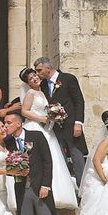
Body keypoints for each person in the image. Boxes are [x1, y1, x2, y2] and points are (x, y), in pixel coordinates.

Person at [3, 110, 58, 215]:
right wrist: (16, 171)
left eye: (8, 123)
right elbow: (7, 167)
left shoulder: (36, 136)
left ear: (18, 123)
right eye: (5, 123)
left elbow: (47, 161)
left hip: (39, 186)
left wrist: (46, 185)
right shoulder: (8, 143)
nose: (6, 126)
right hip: (22, 187)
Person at [18, 67, 77, 210]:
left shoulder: (42, 92)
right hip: (34, 127)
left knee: (51, 157)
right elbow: (24, 111)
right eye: (31, 79)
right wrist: (42, 119)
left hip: (46, 129)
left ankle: (55, 194)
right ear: (28, 83)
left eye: (35, 75)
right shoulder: (30, 93)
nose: (35, 78)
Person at [34, 57, 87, 186]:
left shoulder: (68, 79)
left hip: (71, 125)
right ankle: (67, 187)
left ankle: (82, 188)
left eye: (39, 70)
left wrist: (78, 123)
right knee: (60, 158)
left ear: (48, 68)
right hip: (54, 128)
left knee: (77, 157)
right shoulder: (43, 85)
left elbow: (79, 101)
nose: (37, 73)